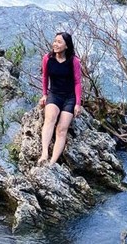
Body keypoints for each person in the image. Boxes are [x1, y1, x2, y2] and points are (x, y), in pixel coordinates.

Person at [38, 31, 82, 165]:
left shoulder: (73, 61)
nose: (55, 44)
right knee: (50, 118)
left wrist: (77, 104)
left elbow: (77, 82)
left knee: (62, 129)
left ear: (66, 46)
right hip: (55, 94)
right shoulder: (47, 58)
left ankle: (52, 162)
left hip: (69, 98)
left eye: (59, 42)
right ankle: (44, 153)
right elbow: (45, 77)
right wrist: (45, 94)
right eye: (55, 41)